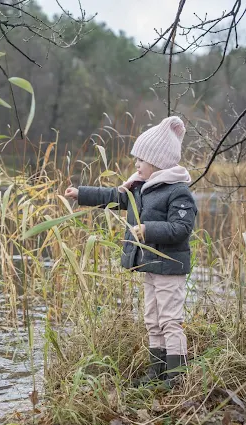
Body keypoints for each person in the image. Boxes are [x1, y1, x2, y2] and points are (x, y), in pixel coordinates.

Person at [64, 116, 197, 388]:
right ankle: (156, 371)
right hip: (150, 266)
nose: (136, 165)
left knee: (170, 320)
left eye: (141, 160)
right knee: (152, 319)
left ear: (157, 162)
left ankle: (176, 377)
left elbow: (181, 228)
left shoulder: (178, 191)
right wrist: (81, 194)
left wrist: (148, 229)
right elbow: (115, 197)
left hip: (170, 267)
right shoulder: (141, 188)